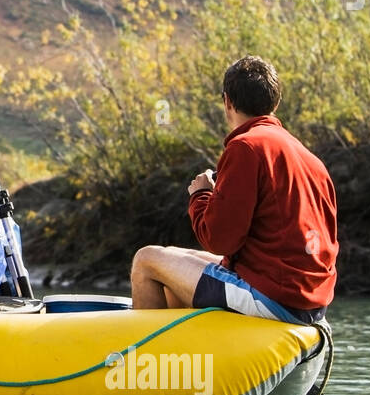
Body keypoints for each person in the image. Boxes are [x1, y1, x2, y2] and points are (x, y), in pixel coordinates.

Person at [130, 56, 338, 324]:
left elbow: (219, 240)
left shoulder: (246, 147)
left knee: (147, 260)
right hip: (310, 299)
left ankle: (151, 363)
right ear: (275, 102)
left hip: (275, 298)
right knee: (174, 255)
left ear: (227, 101)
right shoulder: (307, 156)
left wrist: (201, 195)